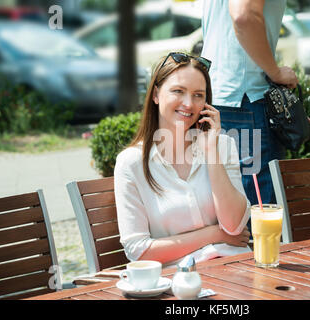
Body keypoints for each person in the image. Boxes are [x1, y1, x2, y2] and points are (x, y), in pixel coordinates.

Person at [114, 52, 251, 266]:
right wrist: (215, 234)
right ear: (156, 94)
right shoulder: (131, 163)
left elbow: (234, 226)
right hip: (179, 280)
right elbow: (138, 251)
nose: (189, 103)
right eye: (178, 91)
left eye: (198, 95)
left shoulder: (223, 146)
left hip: (237, 267)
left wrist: (211, 151)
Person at [201, 1, 298, 221]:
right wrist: (275, 72)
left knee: (227, 216)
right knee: (261, 221)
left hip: (218, 96)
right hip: (246, 100)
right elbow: (243, 15)